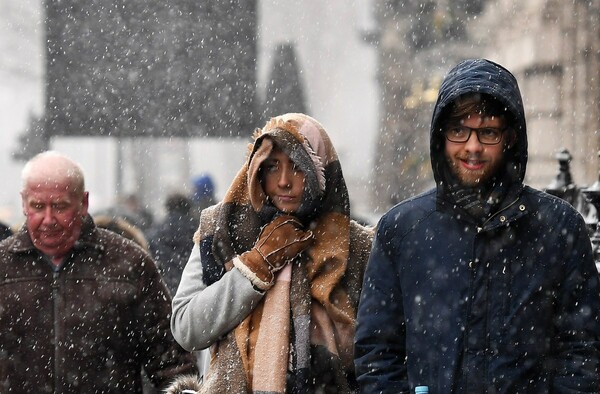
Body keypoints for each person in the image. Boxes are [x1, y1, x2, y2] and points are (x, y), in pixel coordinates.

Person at [354, 58, 600, 393]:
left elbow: (583, 351)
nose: (472, 147)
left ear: (510, 137)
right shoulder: (402, 229)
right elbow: (378, 354)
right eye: (459, 130)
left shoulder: (558, 228)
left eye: (487, 132)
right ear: (441, 137)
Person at [169, 113, 374, 393]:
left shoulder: (355, 246)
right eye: (273, 166)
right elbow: (187, 328)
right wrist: (255, 267)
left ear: (321, 173)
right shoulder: (223, 230)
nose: (284, 181)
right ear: (256, 170)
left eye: (298, 167)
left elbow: (377, 348)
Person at [0, 151, 198, 392]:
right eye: (38, 206)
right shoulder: (3, 266)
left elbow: (171, 363)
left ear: (83, 203)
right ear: (23, 203)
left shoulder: (129, 264)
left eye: (60, 206)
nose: (48, 219)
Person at [147, 192, 198, 295]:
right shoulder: (197, 230)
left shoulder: (156, 231)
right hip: (191, 288)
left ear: (167, 208)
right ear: (188, 208)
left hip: (165, 287)